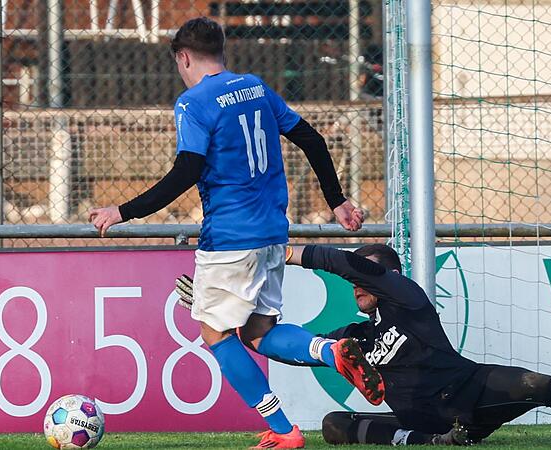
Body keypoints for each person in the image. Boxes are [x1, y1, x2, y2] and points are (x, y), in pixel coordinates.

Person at [89, 17, 384, 449]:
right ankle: (330, 351)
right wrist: (336, 201)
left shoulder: (193, 103)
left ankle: (283, 430)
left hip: (229, 238)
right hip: (272, 236)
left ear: (183, 58)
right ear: (221, 51)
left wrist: (123, 211)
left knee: (216, 334)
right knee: (259, 333)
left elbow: (186, 171)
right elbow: (312, 139)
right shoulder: (256, 88)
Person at [282, 243, 551, 446]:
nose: (356, 284)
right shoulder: (353, 337)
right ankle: (435, 443)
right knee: (334, 425)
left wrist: (290, 252)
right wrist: (258, 330)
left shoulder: (408, 299)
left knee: (540, 385)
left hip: (470, 390)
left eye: (363, 275)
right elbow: (300, 350)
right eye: (354, 280)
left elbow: (347, 265)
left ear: (391, 277)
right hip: (422, 419)